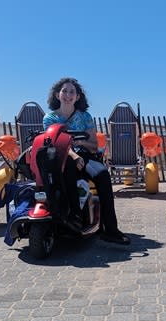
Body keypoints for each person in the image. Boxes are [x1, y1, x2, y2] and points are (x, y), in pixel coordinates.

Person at [42, 77, 130, 245]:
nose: (68, 95)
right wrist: (74, 156)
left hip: (85, 155)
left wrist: (81, 143)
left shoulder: (85, 117)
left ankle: (110, 229)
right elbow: (52, 143)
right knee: (68, 167)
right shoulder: (50, 118)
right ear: (57, 94)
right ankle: (74, 216)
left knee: (103, 175)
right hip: (62, 157)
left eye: (72, 92)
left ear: (78, 96)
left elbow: (93, 145)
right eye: (64, 91)